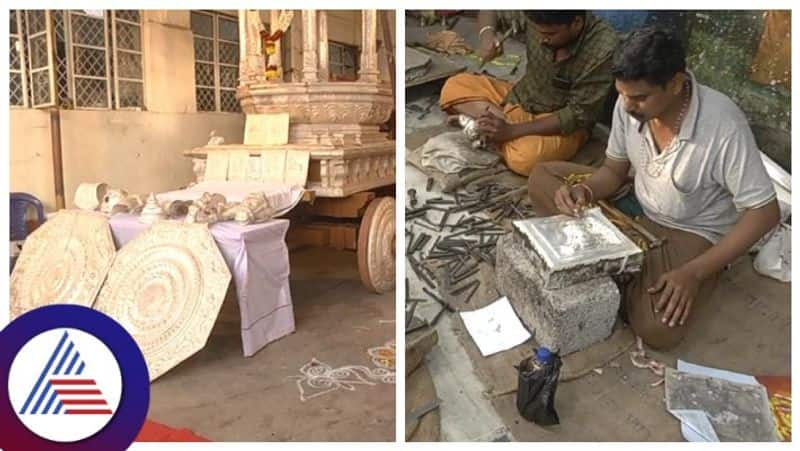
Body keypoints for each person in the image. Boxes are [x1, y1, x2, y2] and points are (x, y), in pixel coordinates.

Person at [527, 27, 781, 349]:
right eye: (621, 93)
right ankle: (624, 268)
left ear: (675, 84)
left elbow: (765, 211)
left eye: (640, 97)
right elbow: (613, 170)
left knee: (657, 328)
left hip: (689, 231)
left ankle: (684, 271)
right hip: (637, 203)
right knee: (542, 178)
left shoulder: (723, 126)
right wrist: (586, 192)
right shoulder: (627, 104)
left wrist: (694, 273)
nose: (627, 105)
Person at [439, 11, 618, 176]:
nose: (542, 40)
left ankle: (488, 128)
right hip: (520, 97)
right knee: (454, 85)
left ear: (576, 23)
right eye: (537, 31)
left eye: (550, 34)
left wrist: (513, 130)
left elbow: (579, 114)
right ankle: (496, 128)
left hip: (560, 121)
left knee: (525, 159)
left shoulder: (603, 47)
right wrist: (488, 35)